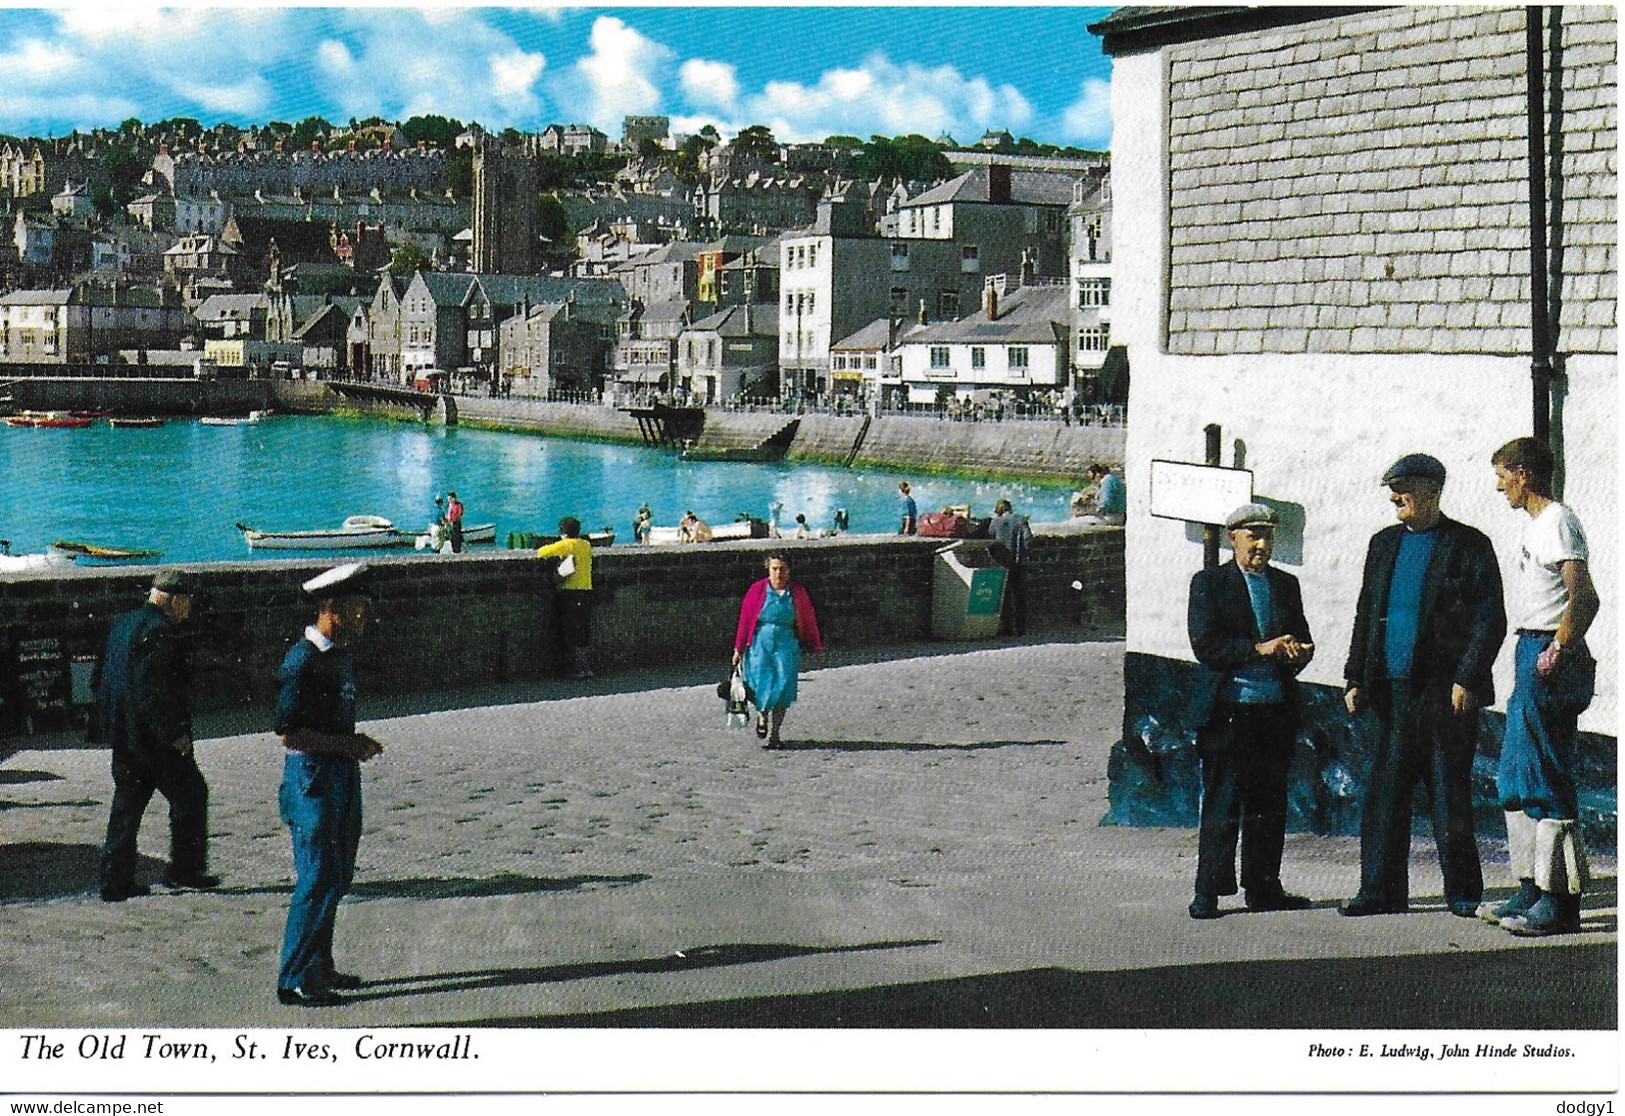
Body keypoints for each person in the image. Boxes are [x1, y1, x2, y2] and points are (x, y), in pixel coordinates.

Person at [1340, 454, 1505, 918]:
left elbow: (1489, 619)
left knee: (1447, 791)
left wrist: (1468, 678)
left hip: (1443, 693)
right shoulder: (1382, 545)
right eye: (1391, 489)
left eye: (1404, 488)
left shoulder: (1469, 545)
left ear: (1432, 491)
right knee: (1385, 793)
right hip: (1390, 693)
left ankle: (1463, 893)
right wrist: (1356, 676)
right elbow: (1365, 614)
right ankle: (1380, 891)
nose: (1395, 497)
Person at [1484, 437, 1600, 937]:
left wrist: (1560, 647)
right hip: (1526, 648)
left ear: (1524, 474)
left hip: (1546, 654)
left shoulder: (1557, 521)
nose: (1498, 485)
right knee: (1517, 774)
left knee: (1547, 774)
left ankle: (1561, 903)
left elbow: (1585, 596)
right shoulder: (1536, 525)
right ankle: (1531, 887)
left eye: (1503, 475)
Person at [1185, 503, 1314, 919]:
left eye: (1267, 537)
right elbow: (1206, 646)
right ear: (1232, 538)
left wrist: (1298, 651)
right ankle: (1207, 891)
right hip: (1229, 711)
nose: (1261, 545)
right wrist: (1260, 648)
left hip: (1274, 711)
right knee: (1222, 804)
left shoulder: (1285, 585)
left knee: (1269, 805)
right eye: (1252, 536)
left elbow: (1301, 639)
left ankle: (1263, 888)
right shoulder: (1209, 584)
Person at [274, 562, 385, 1007]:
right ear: (332, 609)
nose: (365, 619)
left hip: (338, 774)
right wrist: (348, 744)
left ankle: (319, 966)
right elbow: (288, 732)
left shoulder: (337, 656)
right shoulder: (302, 661)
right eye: (358, 610)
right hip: (312, 779)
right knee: (317, 876)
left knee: (337, 874)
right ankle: (294, 977)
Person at [94, 568, 218, 902]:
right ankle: (185, 871)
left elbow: (103, 680)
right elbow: (154, 690)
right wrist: (174, 734)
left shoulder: (122, 625)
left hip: (125, 734)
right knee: (191, 794)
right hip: (154, 740)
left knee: (126, 808)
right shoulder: (161, 632)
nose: (189, 609)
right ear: (175, 600)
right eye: (187, 601)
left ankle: (114, 882)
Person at [733, 554, 825, 749]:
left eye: (782, 569)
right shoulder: (757, 590)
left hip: (786, 643)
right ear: (768, 570)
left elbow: (808, 618)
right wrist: (738, 648)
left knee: (783, 686)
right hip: (760, 642)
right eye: (774, 569)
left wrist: (816, 645)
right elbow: (745, 619)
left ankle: (775, 734)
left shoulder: (797, 592)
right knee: (761, 682)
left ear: (788, 571)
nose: (778, 573)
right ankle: (762, 715)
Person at [537, 517, 596, 680]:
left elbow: (541, 552)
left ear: (563, 533)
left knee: (571, 631)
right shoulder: (586, 545)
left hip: (571, 592)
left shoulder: (567, 545)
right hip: (586, 590)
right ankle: (585, 668)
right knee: (583, 631)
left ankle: (576, 669)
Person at [988, 498, 1033, 637]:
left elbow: (990, 540)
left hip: (1002, 562)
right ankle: (1021, 629)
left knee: (1005, 596)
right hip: (1018, 562)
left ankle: (1007, 628)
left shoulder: (995, 522)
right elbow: (1028, 539)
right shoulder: (1021, 520)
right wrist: (1025, 555)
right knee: (1020, 596)